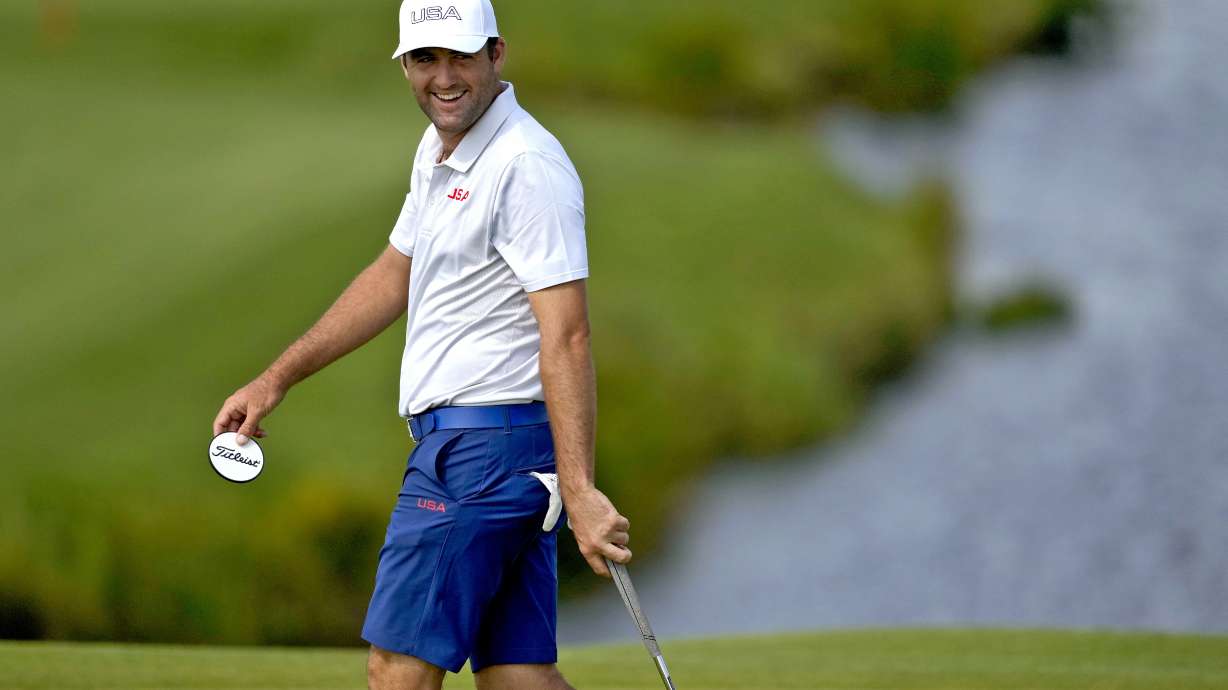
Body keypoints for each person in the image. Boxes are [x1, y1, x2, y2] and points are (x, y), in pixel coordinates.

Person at [210, 1, 631, 687]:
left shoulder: (526, 166)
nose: (444, 78)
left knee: (395, 670)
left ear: (496, 53)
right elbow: (394, 272)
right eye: (425, 59)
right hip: (502, 453)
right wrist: (276, 378)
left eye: (460, 56)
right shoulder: (441, 148)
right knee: (516, 675)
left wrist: (581, 489)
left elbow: (568, 333)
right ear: (405, 64)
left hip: (477, 457)